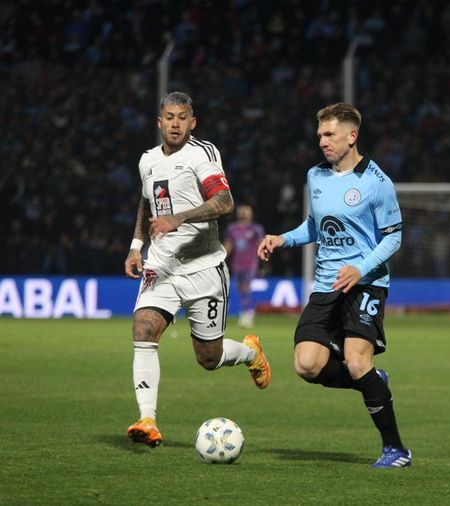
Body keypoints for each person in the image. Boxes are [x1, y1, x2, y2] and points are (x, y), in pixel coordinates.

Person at [257, 102, 410, 468]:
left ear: (351, 136)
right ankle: (373, 380)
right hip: (326, 286)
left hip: (366, 285)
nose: (322, 142)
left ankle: (396, 450)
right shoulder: (316, 176)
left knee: (357, 361)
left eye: (330, 135)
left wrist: (361, 268)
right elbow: (316, 226)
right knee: (306, 366)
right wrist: (283, 239)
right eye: (320, 135)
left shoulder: (377, 182)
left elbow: (393, 238)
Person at [123, 91, 271, 447]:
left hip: (204, 267)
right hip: (162, 265)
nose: (175, 124)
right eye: (169, 117)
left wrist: (179, 218)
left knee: (209, 357)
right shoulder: (147, 161)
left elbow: (224, 201)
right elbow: (146, 203)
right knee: (143, 329)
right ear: (159, 122)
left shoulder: (202, 154)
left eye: (182, 117)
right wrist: (136, 245)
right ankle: (147, 419)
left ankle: (250, 352)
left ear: (193, 122)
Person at [224, 204, 266, 327]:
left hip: (251, 263)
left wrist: (264, 258)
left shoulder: (256, 229)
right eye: (241, 211)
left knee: (247, 287)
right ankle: (244, 312)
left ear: (251, 213)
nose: (243, 213)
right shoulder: (232, 229)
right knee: (240, 288)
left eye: (246, 211)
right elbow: (229, 245)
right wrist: (220, 258)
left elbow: (260, 244)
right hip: (237, 264)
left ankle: (247, 314)